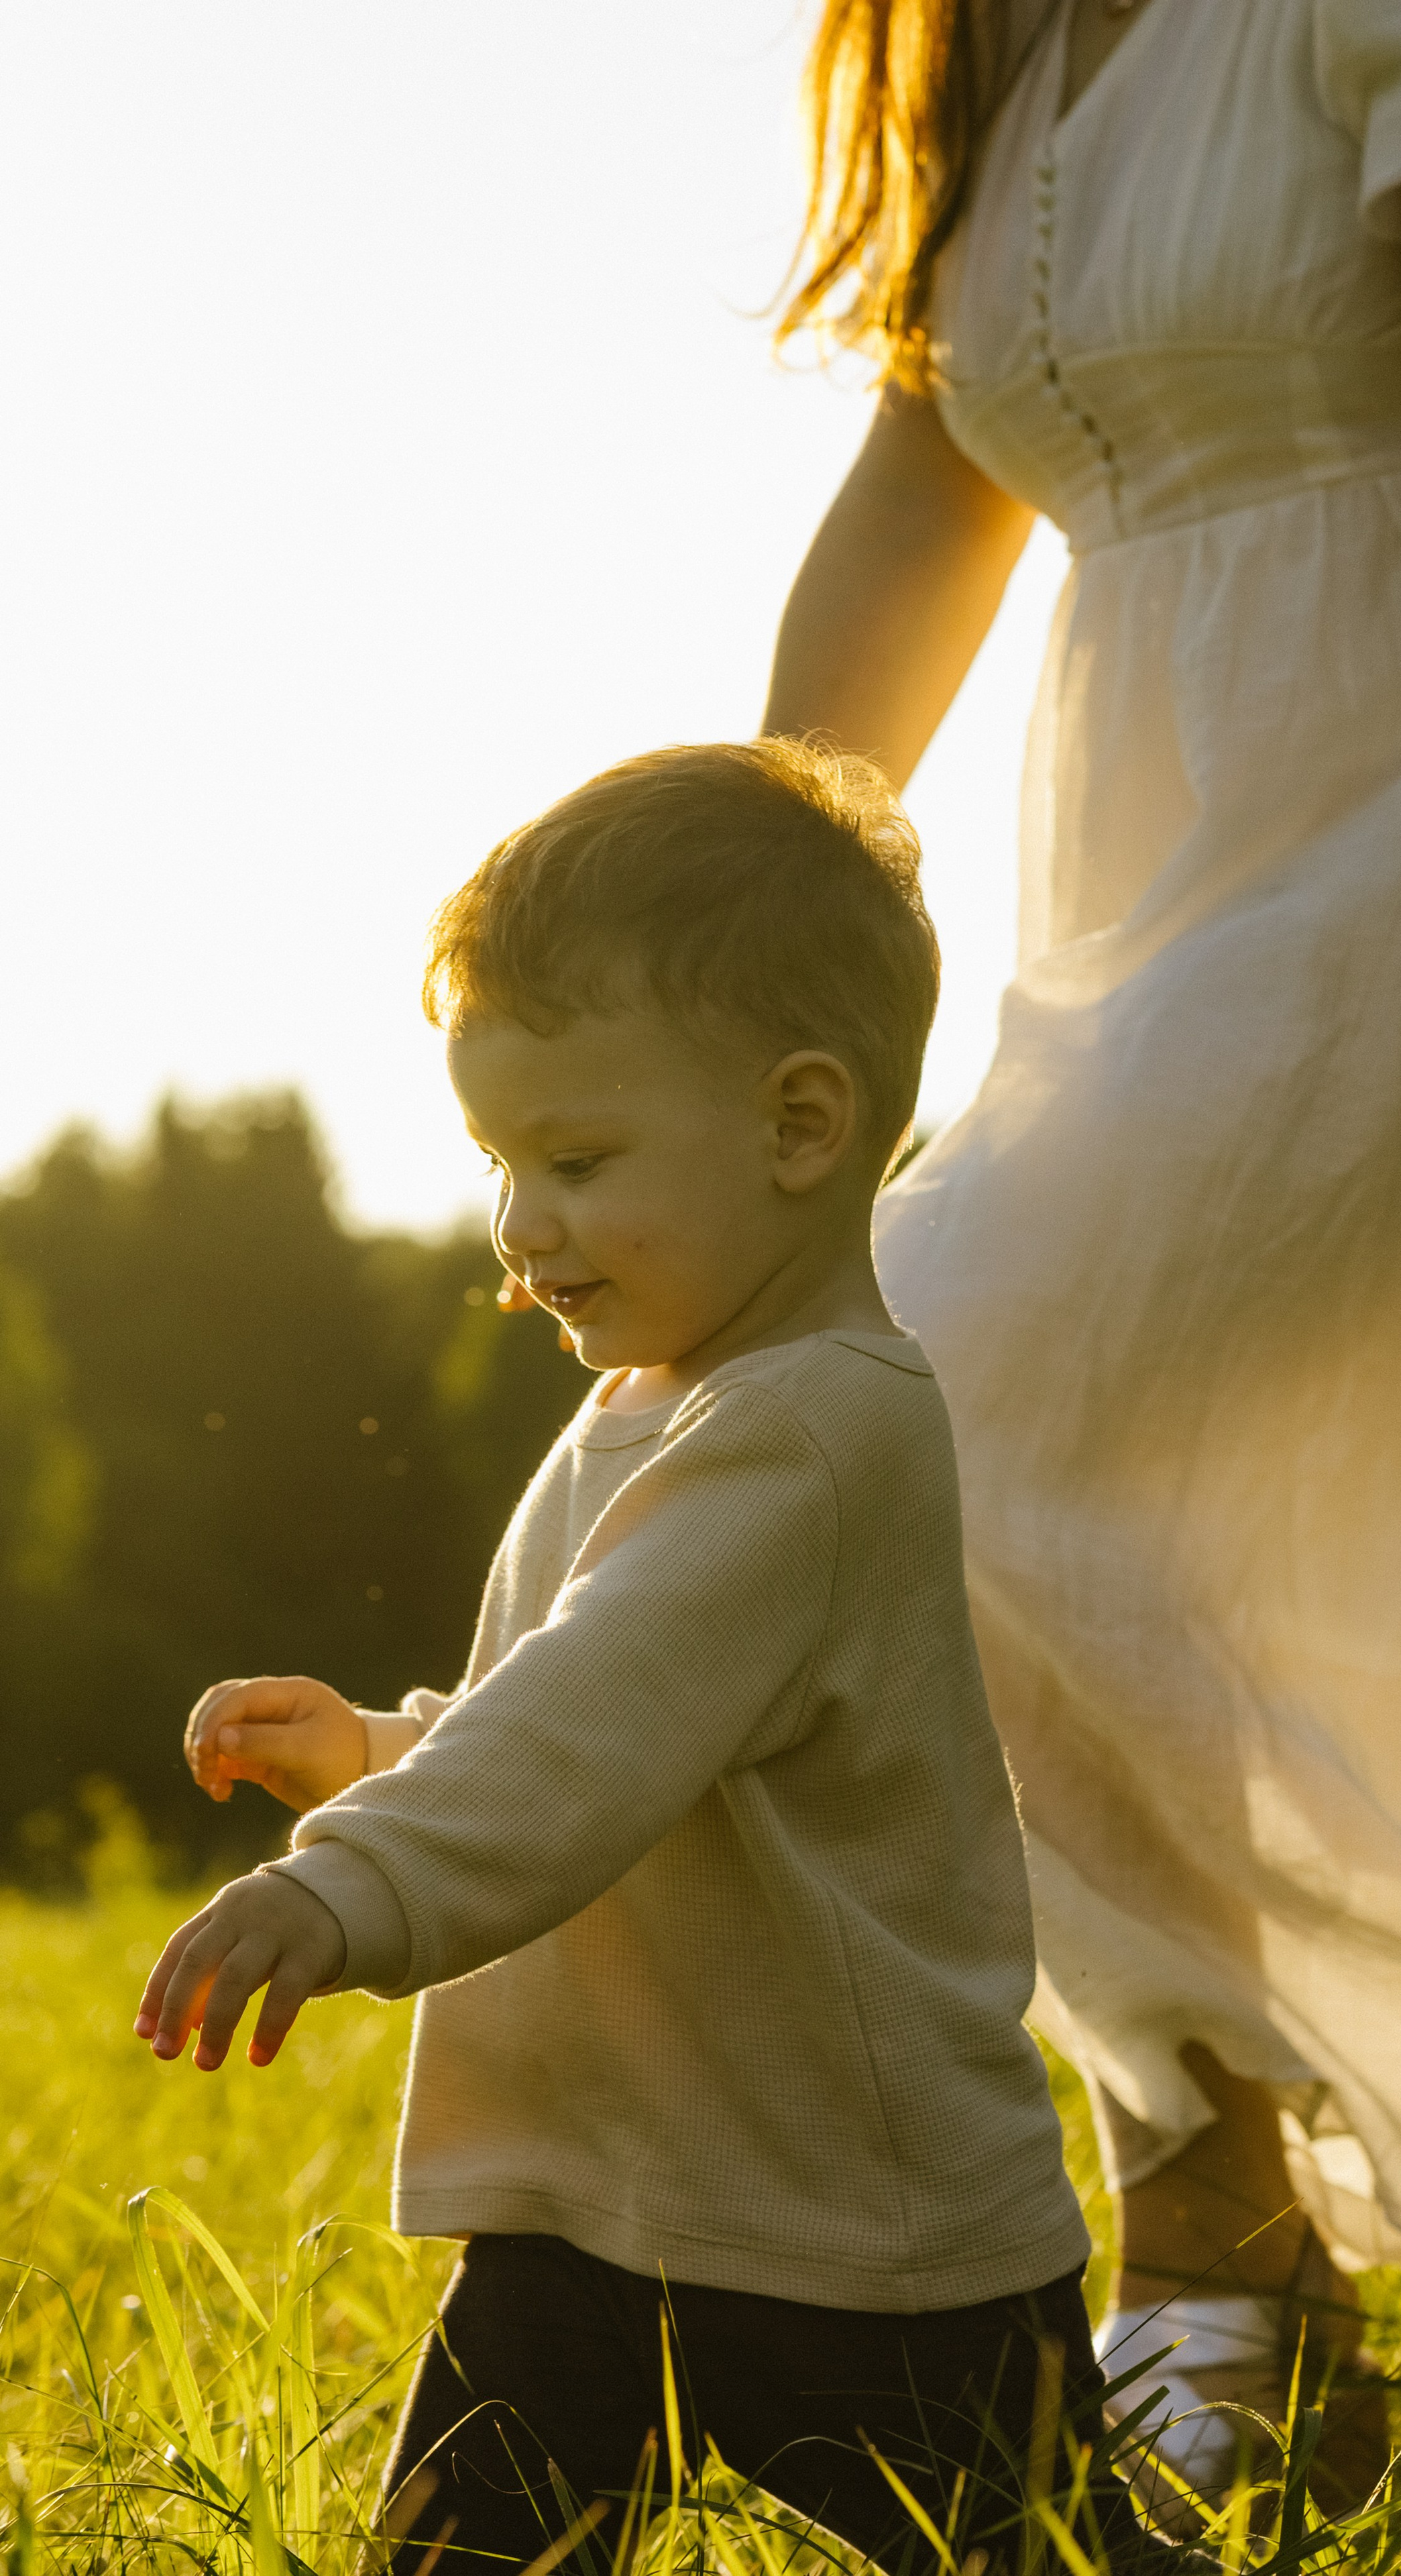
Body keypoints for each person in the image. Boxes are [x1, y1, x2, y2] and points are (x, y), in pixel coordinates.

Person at [763, 0, 1401, 2477]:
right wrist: (760, 907)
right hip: (1164, 850)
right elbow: (932, 481)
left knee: (948, 1401)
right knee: (1062, 1495)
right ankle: (1242, 2218)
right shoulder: (995, 42)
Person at [134, 741, 1176, 2576]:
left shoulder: (809, 1431)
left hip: (854, 2234)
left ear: (799, 1124)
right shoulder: (666, 1400)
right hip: (598, 2212)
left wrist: (352, 1882)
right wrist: (390, 1754)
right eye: (497, 1161)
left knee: (1043, 2557)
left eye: (578, 1157)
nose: (519, 1224)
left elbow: (598, 1722)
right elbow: (607, 1722)